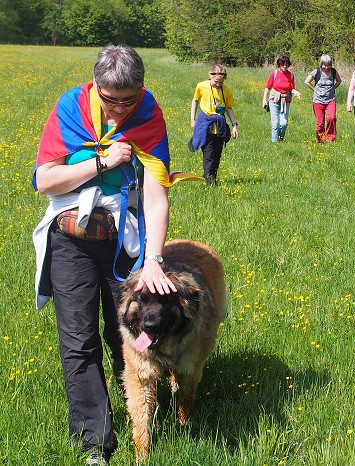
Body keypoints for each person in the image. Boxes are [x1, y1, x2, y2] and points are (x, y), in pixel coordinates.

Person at [32, 44, 182, 465]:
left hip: (124, 245)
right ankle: (95, 443)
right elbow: (46, 179)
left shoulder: (147, 113)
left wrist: (154, 259)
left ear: (141, 90)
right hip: (71, 242)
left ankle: (145, 412)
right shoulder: (71, 107)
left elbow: (155, 196)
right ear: (95, 86)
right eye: (109, 99)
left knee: (135, 332)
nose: (118, 110)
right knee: (79, 341)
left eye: (128, 100)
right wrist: (101, 162)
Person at [190, 64, 240, 186]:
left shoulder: (227, 90)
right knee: (209, 154)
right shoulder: (201, 86)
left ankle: (211, 177)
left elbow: (228, 108)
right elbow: (195, 100)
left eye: (221, 83)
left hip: (220, 125)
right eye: (216, 82)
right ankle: (209, 182)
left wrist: (234, 125)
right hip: (205, 124)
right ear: (210, 76)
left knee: (217, 154)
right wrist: (193, 119)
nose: (218, 85)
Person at [262, 55, 301, 143]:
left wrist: (295, 92)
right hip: (274, 100)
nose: (285, 66)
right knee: (275, 123)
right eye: (283, 64)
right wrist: (264, 99)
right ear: (279, 64)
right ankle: (274, 143)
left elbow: (292, 88)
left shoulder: (291, 76)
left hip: (285, 101)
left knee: (284, 123)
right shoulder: (274, 74)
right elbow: (267, 87)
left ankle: (281, 137)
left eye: (287, 64)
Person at [305, 54, 342, 143]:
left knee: (331, 118)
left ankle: (330, 139)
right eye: (325, 65)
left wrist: (333, 88)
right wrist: (315, 90)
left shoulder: (333, 72)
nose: (326, 67)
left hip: (330, 100)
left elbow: (339, 81)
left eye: (328, 65)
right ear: (321, 64)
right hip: (318, 101)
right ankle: (320, 140)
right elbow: (307, 81)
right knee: (320, 123)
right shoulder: (317, 71)